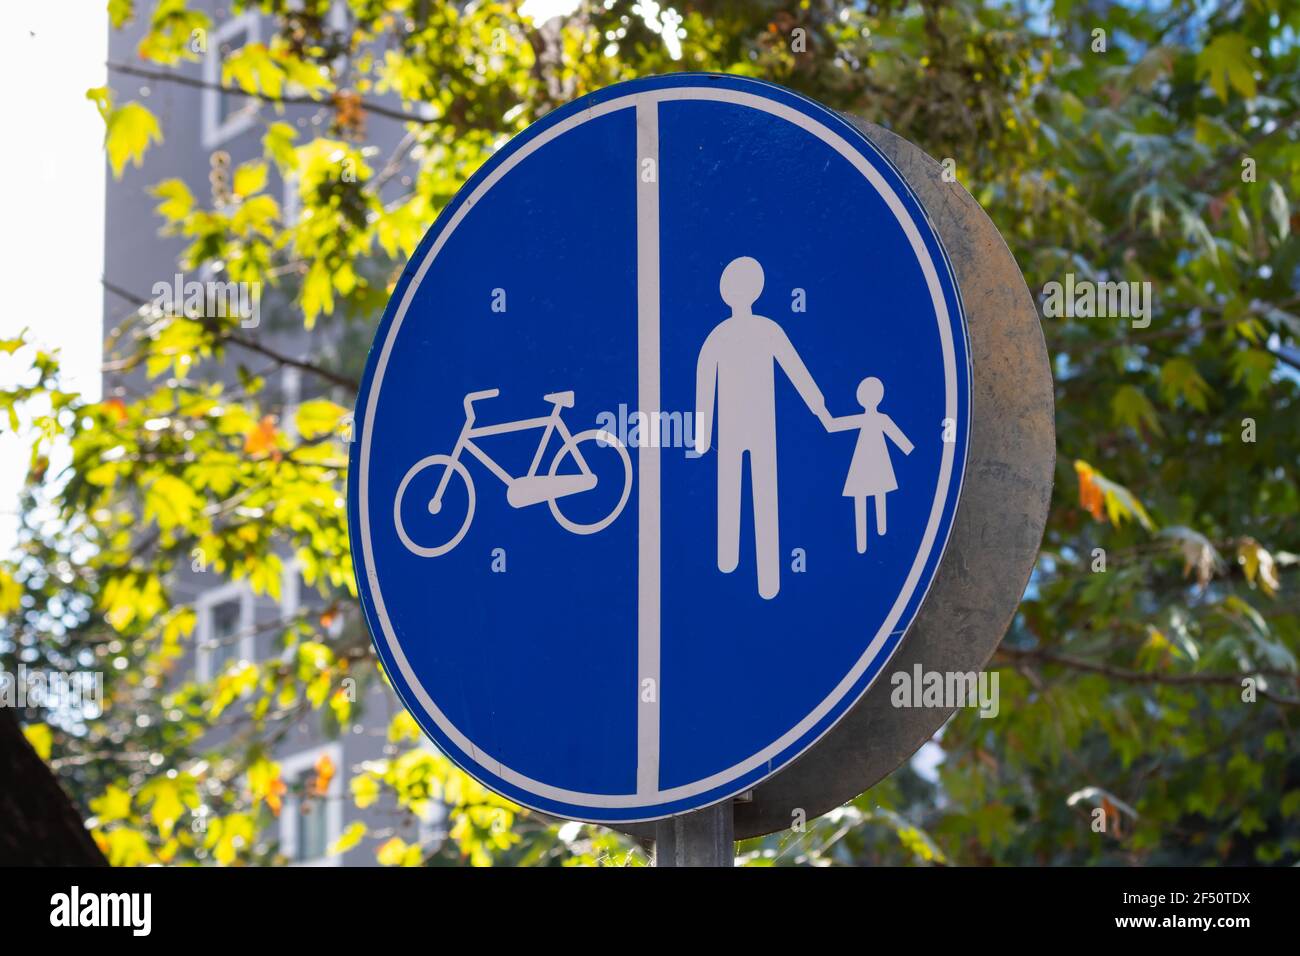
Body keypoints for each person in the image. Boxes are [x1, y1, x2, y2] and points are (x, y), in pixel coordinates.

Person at [694, 256, 827, 599]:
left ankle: (736, 565)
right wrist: (819, 408)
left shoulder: (723, 335)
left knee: (738, 491)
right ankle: (750, 572)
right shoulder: (759, 330)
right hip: (749, 427)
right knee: (756, 494)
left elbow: (795, 371)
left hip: (744, 427)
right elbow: (798, 373)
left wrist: (701, 436)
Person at [824, 376, 913, 553]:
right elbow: (900, 439)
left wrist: (824, 415)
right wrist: (907, 448)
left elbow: (833, 425)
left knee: (865, 496)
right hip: (873, 460)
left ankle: (866, 540)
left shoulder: (875, 419)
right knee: (877, 492)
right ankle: (877, 533)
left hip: (866, 460)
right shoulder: (880, 418)